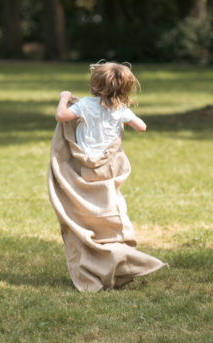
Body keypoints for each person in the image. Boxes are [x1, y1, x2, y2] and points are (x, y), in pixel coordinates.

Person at [48, 61, 165, 291]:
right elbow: (142, 127)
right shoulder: (120, 109)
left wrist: (64, 97)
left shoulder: (85, 105)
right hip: (107, 169)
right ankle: (116, 247)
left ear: (94, 84)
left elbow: (61, 116)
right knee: (110, 208)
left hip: (84, 169)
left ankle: (95, 254)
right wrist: (124, 114)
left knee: (86, 212)